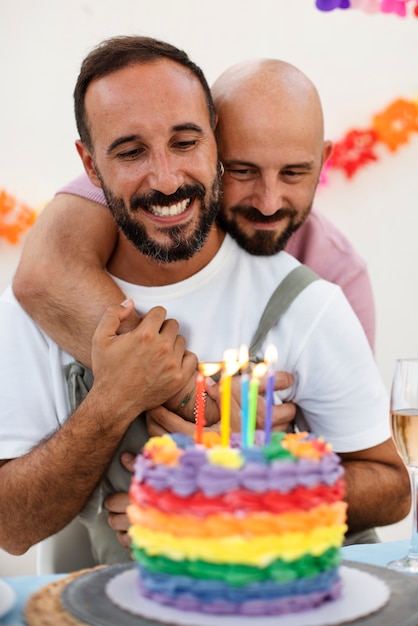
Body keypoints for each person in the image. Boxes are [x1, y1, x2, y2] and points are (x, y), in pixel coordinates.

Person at [0, 36, 409, 566]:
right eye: (130, 152)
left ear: (215, 143)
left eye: (185, 142)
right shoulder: (38, 311)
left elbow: (393, 490)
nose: (166, 178)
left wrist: (243, 491)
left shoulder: (313, 299)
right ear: (91, 167)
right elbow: (12, 529)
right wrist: (111, 402)